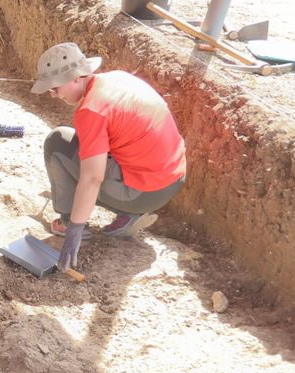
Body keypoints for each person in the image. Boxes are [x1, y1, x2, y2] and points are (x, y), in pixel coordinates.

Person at [32, 43, 186, 271]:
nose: (54, 95)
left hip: (142, 192)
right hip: (172, 179)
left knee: (58, 142)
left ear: (76, 78)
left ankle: (70, 221)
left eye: (55, 88)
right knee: (84, 147)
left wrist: (74, 230)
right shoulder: (118, 79)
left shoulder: (91, 111)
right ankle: (128, 215)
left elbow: (92, 178)